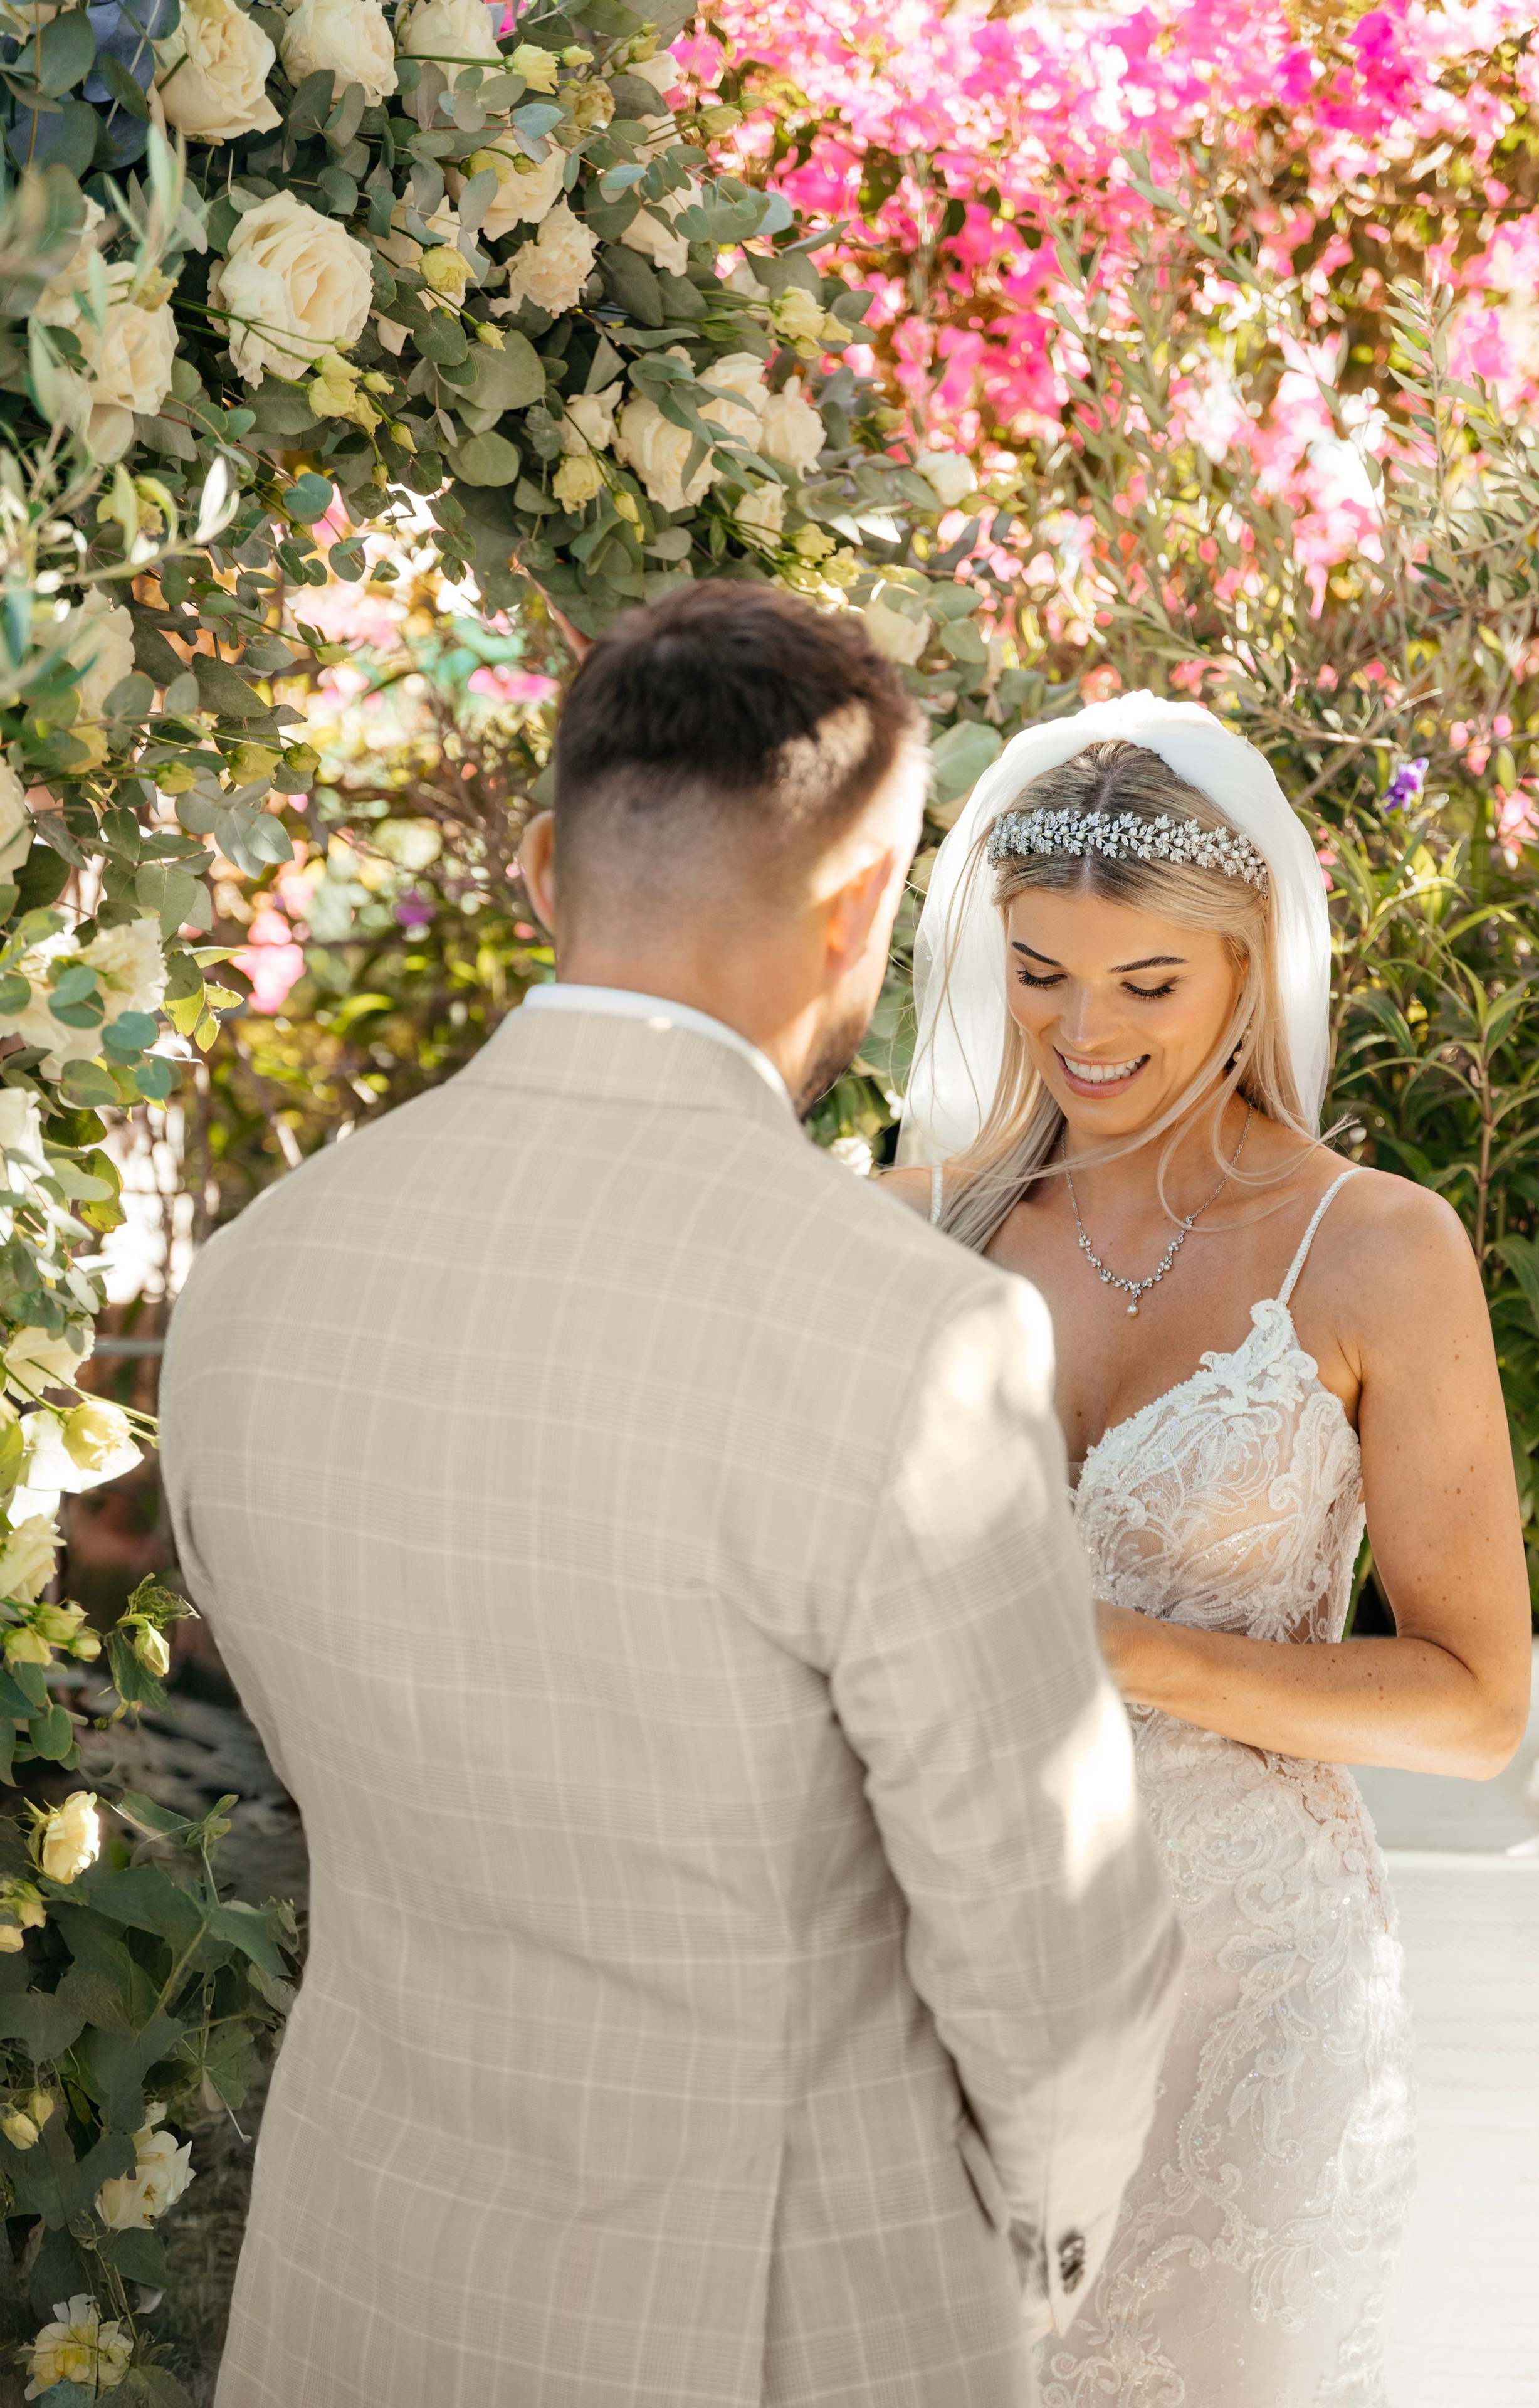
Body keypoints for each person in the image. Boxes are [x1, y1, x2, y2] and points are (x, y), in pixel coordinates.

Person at [160, 586, 1183, 2408]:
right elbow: (1054, 1955)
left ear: (547, 867)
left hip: (359, 2271)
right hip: (785, 2311)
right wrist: (1028, 2259)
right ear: (866, 907)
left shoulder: (255, 1275)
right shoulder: (918, 1339)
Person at [880, 693, 1531, 2407]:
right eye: (1040, 973)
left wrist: (1112, 1649)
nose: (1081, 1033)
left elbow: (1474, 1706)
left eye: (1145, 984)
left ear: (1250, 971)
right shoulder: (909, 1228)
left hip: (1254, 1991)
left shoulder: (1379, 1247)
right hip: (942, 1971)